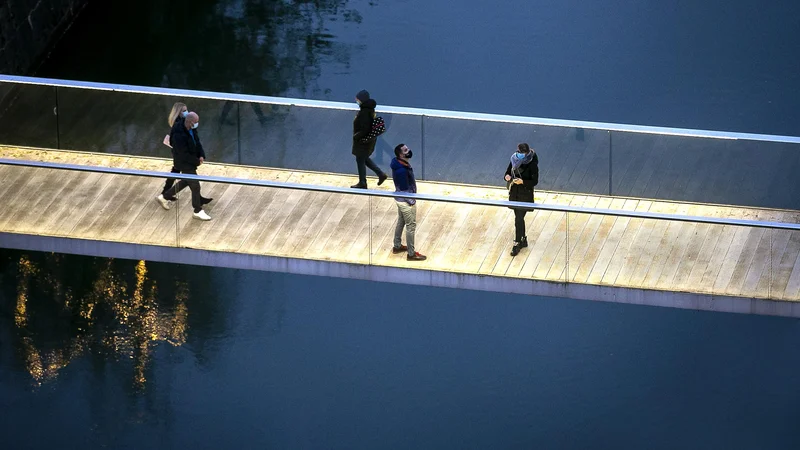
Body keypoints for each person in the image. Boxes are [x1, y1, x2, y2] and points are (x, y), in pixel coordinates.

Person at [159, 112, 213, 220]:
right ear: (190, 122)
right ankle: (197, 210)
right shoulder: (179, 134)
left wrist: (201, 154)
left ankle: (165, 196)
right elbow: (183, 154)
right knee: (195, 185)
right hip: (184, 162)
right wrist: (197, 161)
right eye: (196, 122)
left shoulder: (191, 128)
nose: (198, 124)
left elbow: (197, 142)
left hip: (191, 160)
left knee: (186, 181)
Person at [391, 143, 426, 261]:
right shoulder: (401, 170)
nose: (409, 151)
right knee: (411, 226)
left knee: (401, 221)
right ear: (401, 155)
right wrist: (411, 201)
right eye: (406, 150)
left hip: (400, 199)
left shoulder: (400, 164)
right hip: (406, 201)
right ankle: (411, 254)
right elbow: (404, 189)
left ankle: (397, 246)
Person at [504, 143, 539, 256]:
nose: (520, 155)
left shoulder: (532, 164)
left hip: (525, 194)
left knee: (518, 218)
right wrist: (507, 177)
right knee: (518, 217)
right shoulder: (514, 159)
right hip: (515, 193)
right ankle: (522, 239)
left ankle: (517, 242)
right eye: (519, 153)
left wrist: (523, 181)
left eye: (522, 153)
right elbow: (508, 172)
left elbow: (535, 181)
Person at [351, 90, 388, 189]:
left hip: (363, 140)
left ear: (361, 100)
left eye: (357, 99)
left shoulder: (364, 112)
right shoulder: (369, 109)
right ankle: (380, 174)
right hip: (367, 140)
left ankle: (363, 182)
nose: (356, 100)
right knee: (364, 158)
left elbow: (365, 129)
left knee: (360, 159)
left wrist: (356, 136)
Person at [157, 102, 188, 208]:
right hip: (180, 154)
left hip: (177, 153)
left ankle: (165, 193)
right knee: (189, 178)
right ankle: (165, 196)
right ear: (178, 112)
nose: (186, 112)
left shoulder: (179, 122)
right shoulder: (179, 124)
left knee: (175, 171)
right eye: (184, 111)